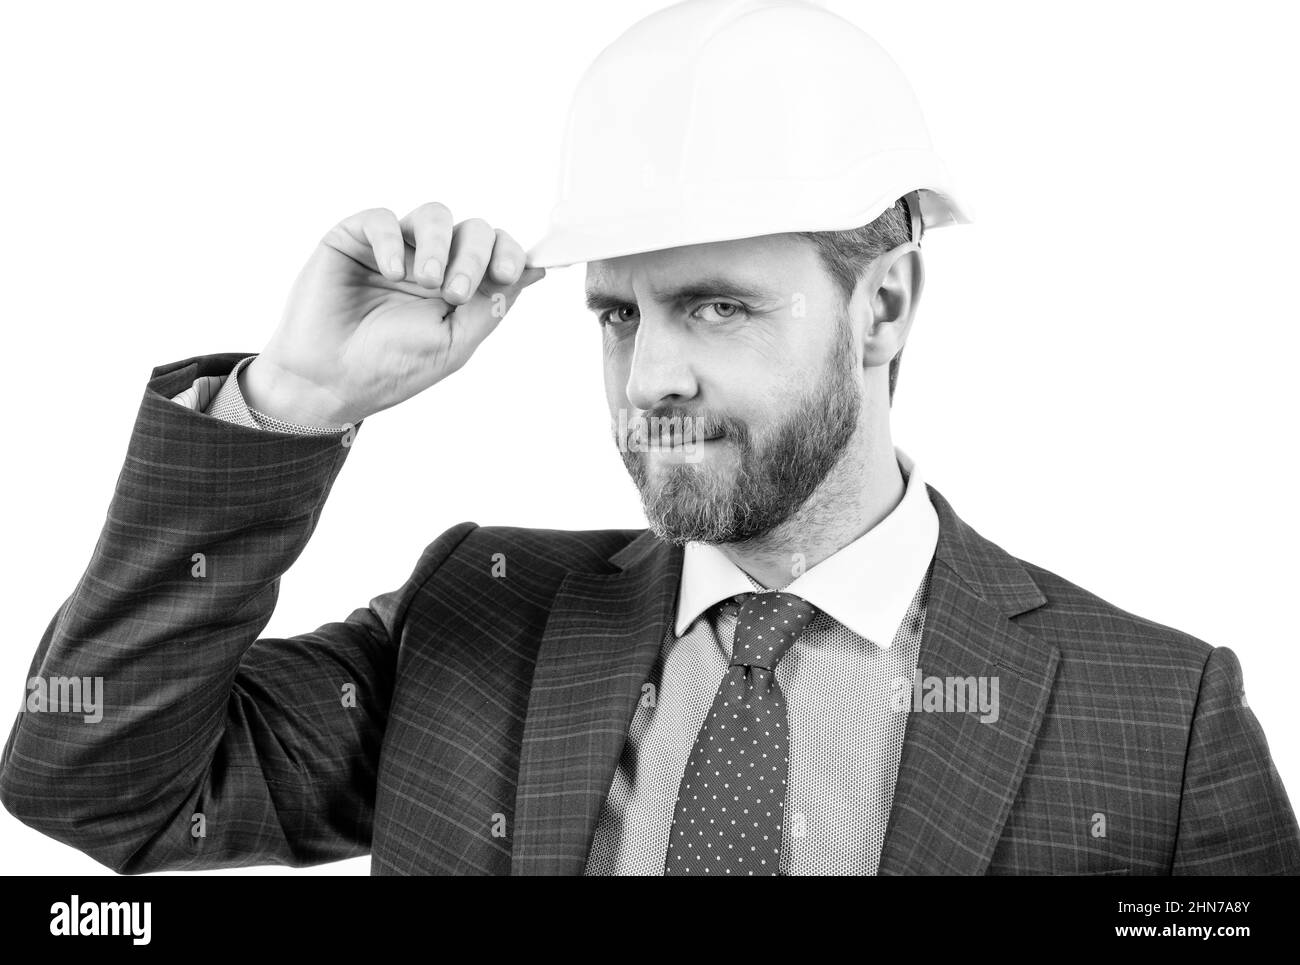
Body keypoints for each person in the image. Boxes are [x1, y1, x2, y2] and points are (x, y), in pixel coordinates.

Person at [2, 0, 1297, 876]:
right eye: (618, 312)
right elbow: (95, 777)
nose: (651, 377)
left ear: (886, 303)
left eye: (718, 306)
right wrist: (291, 401)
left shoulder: (1161, 723)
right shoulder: (473, 620)